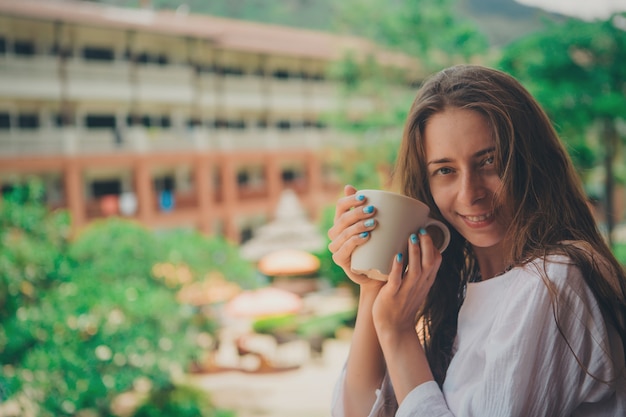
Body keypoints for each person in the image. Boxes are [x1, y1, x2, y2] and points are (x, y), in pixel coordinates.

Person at [327, 64, 626, 416]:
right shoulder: (466, 291)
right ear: (427, 184)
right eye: (445, 170)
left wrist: (398, 333)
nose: (470, 194)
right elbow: (360, 411)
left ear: (530, 162)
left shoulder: (553, 280)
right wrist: (374, 284)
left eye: (489, 161)